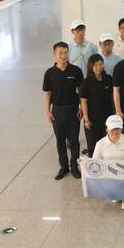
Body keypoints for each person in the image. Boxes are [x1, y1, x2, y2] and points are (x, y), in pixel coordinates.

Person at [43, 42, 84, 180]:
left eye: (66, 53)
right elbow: (47, 94)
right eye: (60, 53)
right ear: (54, 55)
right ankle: (64, 167)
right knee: (60, 140)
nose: (63, 56)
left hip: (73, 110)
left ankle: (74, 166)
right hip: (57, 111)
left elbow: (81, 91)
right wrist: (48, 112)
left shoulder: (76, 71)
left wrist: (81, 107)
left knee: (74, 140)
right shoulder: (49, 73)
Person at [91, 115, 124, 209]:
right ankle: (115, 194)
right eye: (112, 129)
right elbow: (95, 162)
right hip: (109, 174)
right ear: (107, 129)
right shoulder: (100, 144)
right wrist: (84, 162)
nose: (115, 131)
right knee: (114, 196)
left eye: (118, 129)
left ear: (121, 128)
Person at [80, 54, 114, 157]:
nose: (98, 67)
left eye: (100, 64)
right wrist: (86, 119)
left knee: (107, 144)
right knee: (93, 146)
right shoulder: (86, 82)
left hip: (107, 118)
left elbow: (113, 97)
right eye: (95, 65)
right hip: (93, 119)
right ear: (91, 67)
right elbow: (83, 102)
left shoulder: (108, 79)